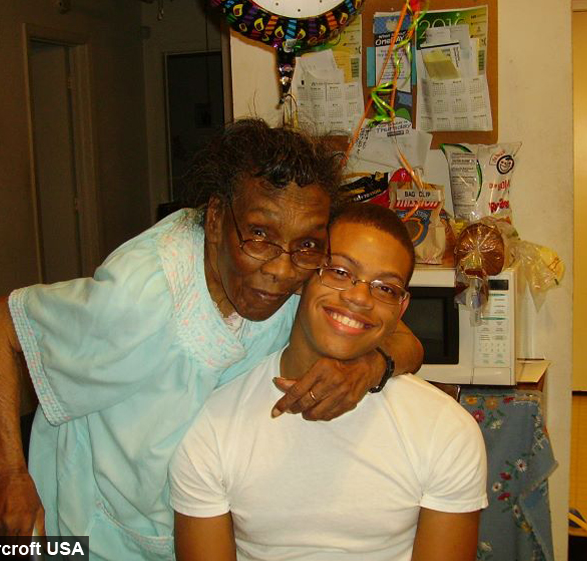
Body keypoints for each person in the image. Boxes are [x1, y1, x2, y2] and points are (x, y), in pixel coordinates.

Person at [0, 118, 423, 559]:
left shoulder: (304, 271)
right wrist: (8, 473)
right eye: (259, 236)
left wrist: (367, 369)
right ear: (215, 220)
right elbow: (1, 324)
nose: (281, 270)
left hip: (198, 512)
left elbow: (404, 340)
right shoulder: (138, 297)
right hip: (97, 520)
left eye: (306, 244)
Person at [169, 203, 487, 561]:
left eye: (385, 288)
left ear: (400, 308)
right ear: (304, 276)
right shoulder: (213, 426)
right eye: (339, 271)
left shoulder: (445, 431)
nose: (358, 297)